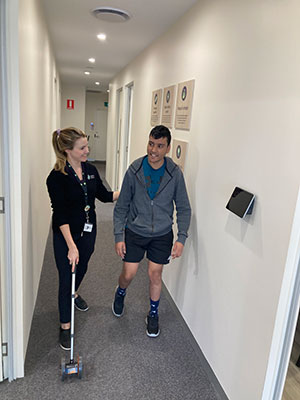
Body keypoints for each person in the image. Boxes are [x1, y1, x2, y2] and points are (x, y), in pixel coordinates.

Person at [112, 125, 191, 337]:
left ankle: (153, 314)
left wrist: (181, 237)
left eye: (159, 146)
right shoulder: (135, 170)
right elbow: (121, 207)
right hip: (135, 231)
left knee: (155, 274)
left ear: (168, 147)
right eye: (150, 144)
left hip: (161, 234)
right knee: (128, 274)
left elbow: (183, 207)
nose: (153, 150)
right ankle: (120, 293)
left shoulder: (174, 174)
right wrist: (119, 236)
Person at [46, 127, 119, 350]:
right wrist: (70, 246)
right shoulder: (56, 177)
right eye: (82, 147)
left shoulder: (90, 170)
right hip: (66, 234)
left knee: (83, 266)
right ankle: (65, 326)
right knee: (66, 277)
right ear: (68, 150)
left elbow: (105, 196)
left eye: (87, 145)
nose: (88, 150)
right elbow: (60, 214)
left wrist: (127, 191)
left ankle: (74, 293)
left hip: (88, 230)